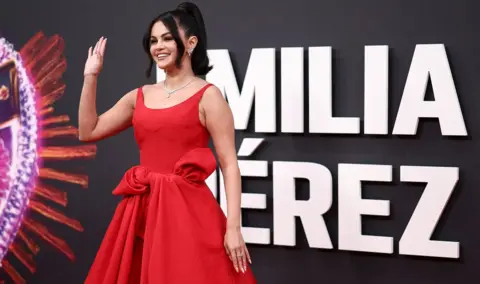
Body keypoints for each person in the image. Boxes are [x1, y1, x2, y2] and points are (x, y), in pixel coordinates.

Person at [78, 2, 257, 284]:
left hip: (186, 214)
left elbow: (229, 165)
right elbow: (88, 131)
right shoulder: (140, 95)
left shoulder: (209, 97)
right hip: (141, 210)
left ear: (190, 42)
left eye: (166, 38)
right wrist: (91, 76)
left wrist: (233, 227)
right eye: (152, 40)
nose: (157, 47)